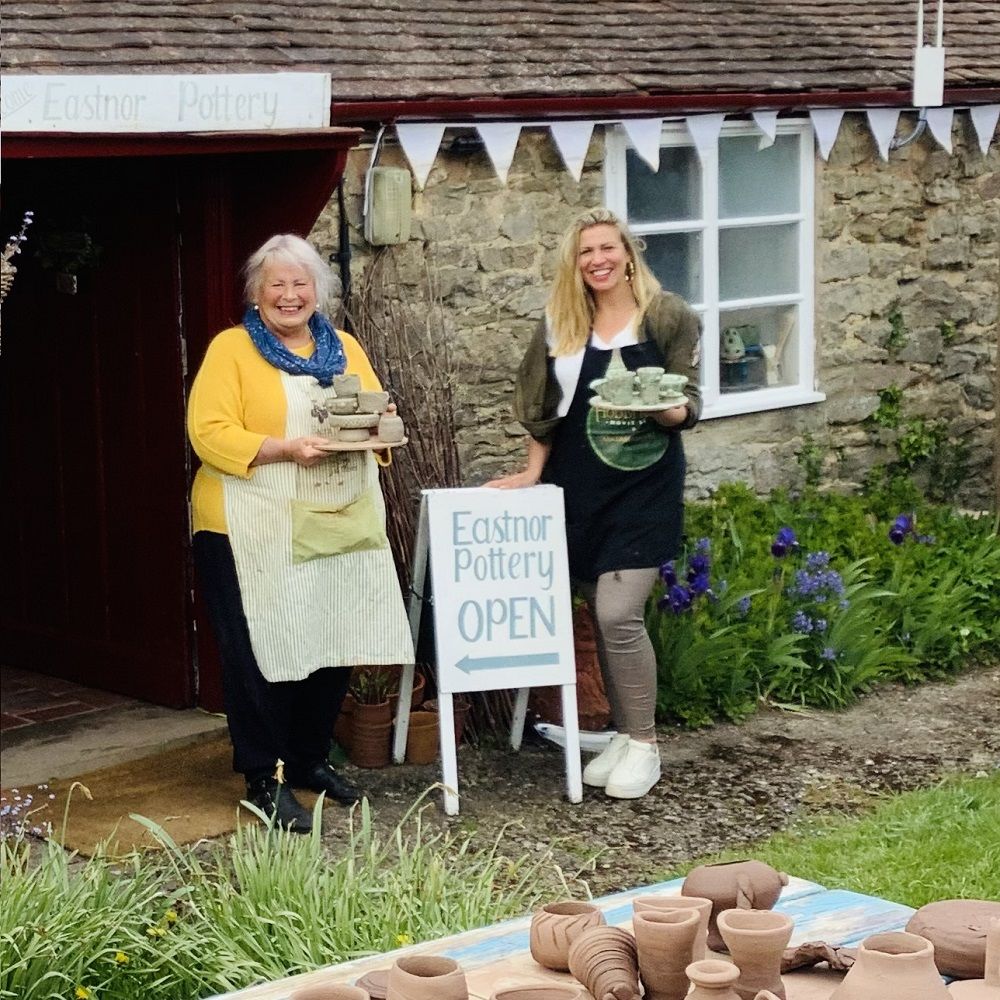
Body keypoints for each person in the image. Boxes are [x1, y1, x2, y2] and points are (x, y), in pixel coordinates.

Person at [187, 234, 414, 832]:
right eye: (276, 285)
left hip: (332, 520)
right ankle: (265, 778)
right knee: (260, 653)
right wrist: (285, 448)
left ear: (318, 291)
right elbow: (207, 432)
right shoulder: (232, 350)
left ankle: (309, 760)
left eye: (300, 283)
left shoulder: (343, 347)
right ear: (257, 293)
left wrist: (381, 431)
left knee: (329, 640)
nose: (290, 295)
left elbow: (375, 414)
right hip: (245, 526)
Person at [487, 208, 702, 800]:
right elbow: (539, 403)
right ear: (574, 264)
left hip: (644, 489)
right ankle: (624, 737)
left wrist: (655, 402)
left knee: (617, 614)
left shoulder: (666, 316)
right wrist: (531, 473)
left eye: (607, 248)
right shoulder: (561, 322)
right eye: (586, 253)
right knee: (599, 616)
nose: (598, 261)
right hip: (578, 489)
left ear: (628, 254)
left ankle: (646, 744)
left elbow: (685, 407)